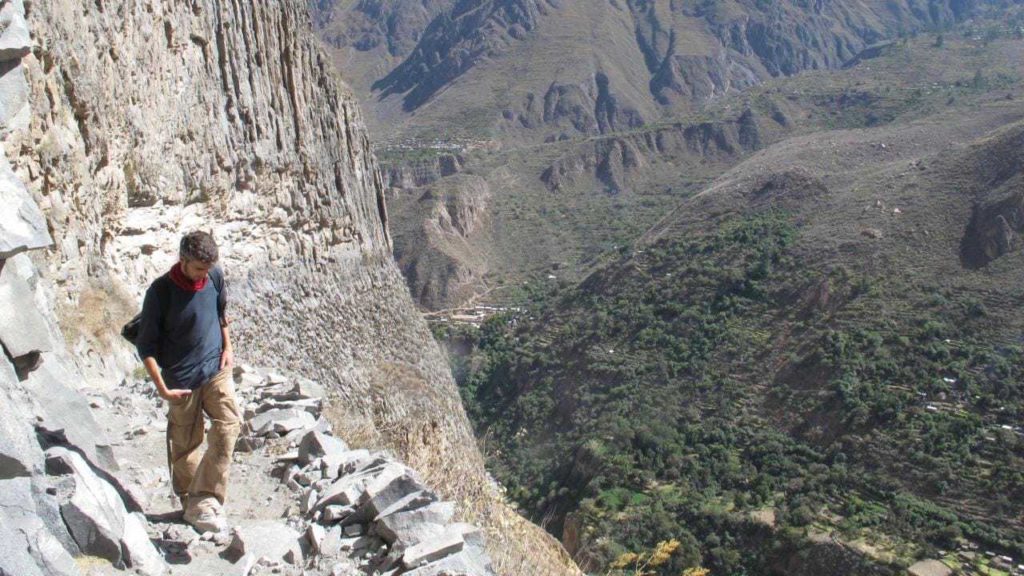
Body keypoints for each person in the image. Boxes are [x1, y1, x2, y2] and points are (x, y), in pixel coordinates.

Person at [135, 231, 240, 533]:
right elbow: (147, 347)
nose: (202, 276)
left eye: (207, 270)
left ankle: (206, 498)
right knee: (185, 443)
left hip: (215, 369)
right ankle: (190, 502)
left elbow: (221, 313)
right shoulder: (161, 293)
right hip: (180, 380)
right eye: (197, 269)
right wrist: (162, 387)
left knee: (229, 425)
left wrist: (228, 348)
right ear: (182, 260)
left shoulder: (214, 277)